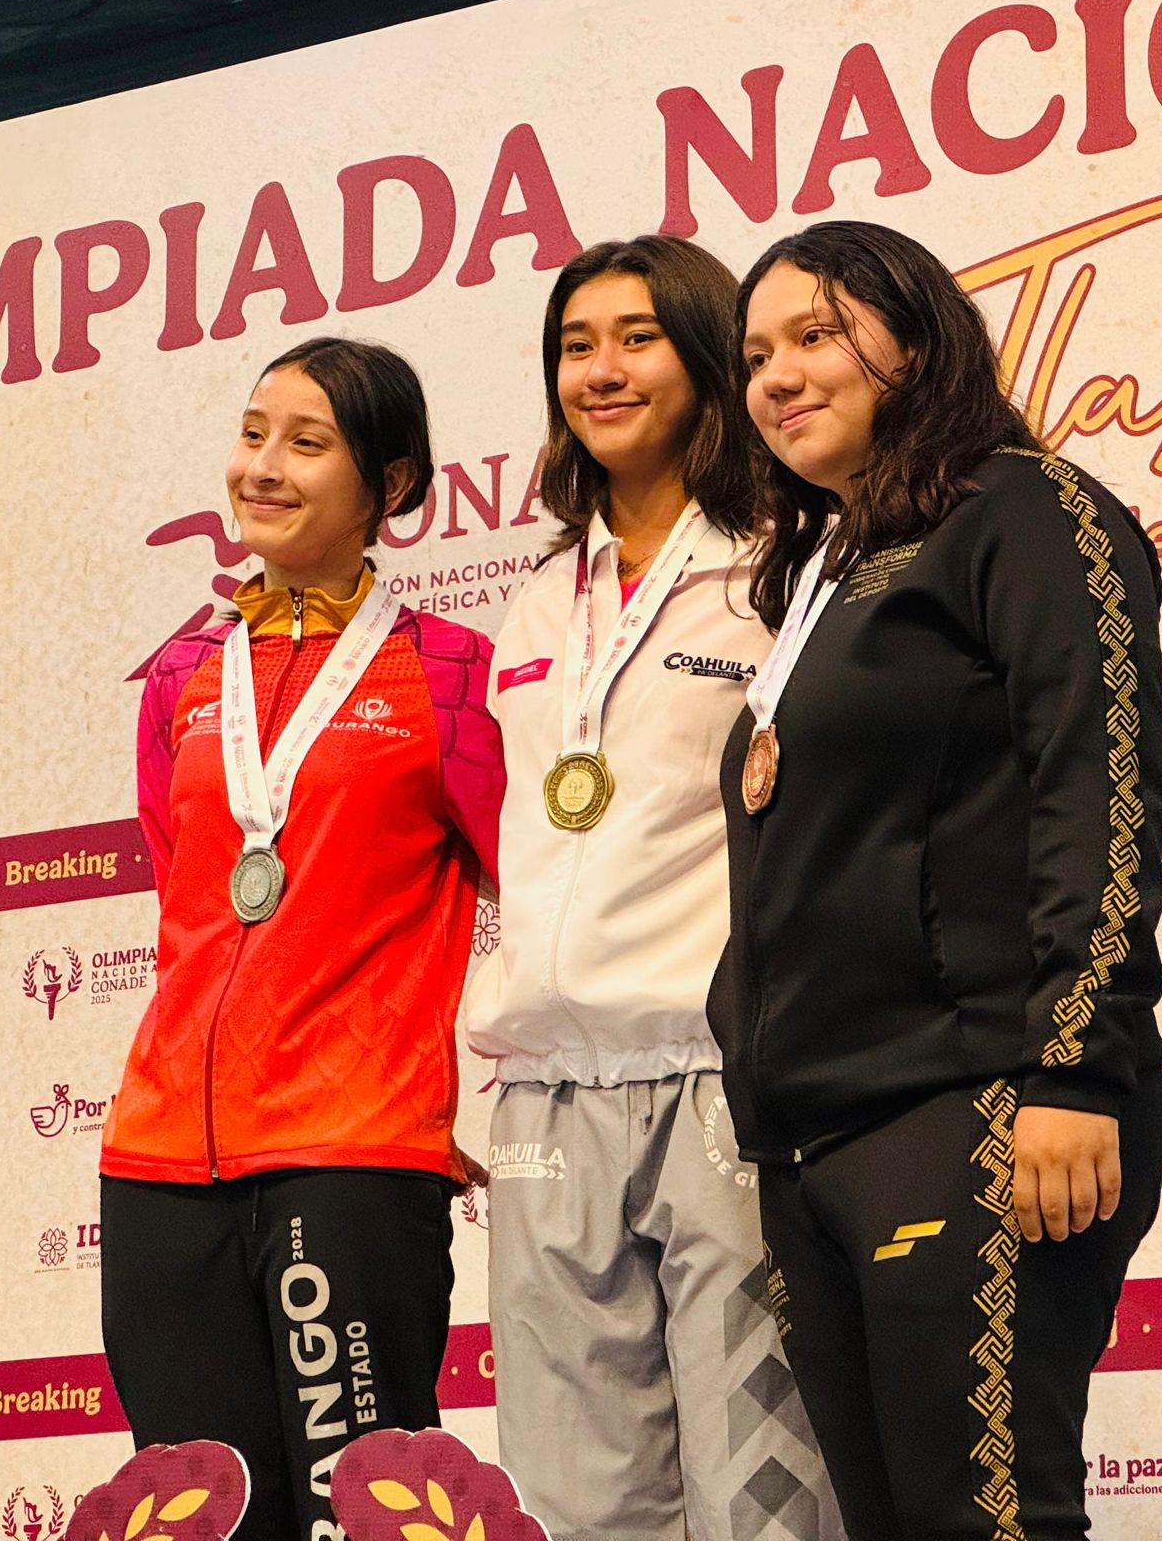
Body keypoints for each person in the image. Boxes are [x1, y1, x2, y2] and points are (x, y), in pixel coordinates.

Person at [706, 220, 1162, 1541]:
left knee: (987, 1519)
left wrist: (1074, 1067)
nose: (778, 376)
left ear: (915, 337)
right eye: (756, 355)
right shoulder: (825, 570)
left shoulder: (1023, 509)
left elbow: (1100, 784)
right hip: (813, 1137)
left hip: (980, 1096)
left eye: (815, 334)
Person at [466, 235, 843, 1541]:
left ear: (705, 357)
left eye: (637, 338)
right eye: (575, 346)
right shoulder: (535, 598)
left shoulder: (782, 568)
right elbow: (521, 840)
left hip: (717, 1073)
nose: (601, 370)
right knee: (574, 1501)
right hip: (543, 1092)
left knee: (763, 1491)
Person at [100, 337, 503, 1541]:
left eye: (307, 442)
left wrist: (471, 1093)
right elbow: (186, 899)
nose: (262, 468)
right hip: (159, 1160)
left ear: (391, 484)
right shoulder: (181, 675)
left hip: (352, 1154)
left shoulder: (450, 674)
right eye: (252, 434)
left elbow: (538, 899)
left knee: (360, 1516)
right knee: (199, 1517)